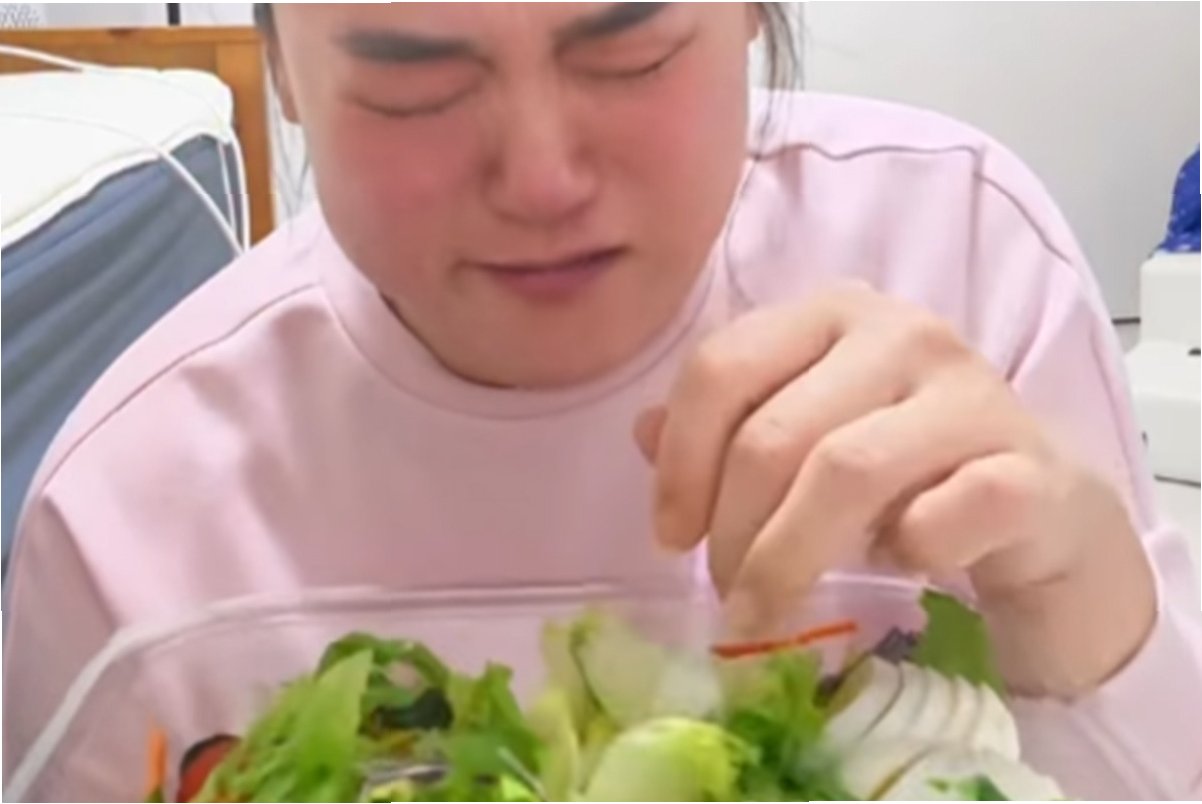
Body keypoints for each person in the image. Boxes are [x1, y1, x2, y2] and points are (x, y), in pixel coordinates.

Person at [4, 4, 1199, 797]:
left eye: (628, 51)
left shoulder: (960, 255)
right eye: (414, 81)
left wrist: (1080, 606)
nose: (540, 178)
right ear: (283, 71)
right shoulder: (132, 520)